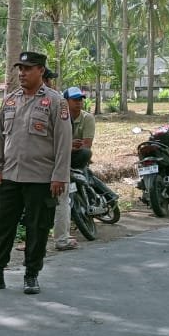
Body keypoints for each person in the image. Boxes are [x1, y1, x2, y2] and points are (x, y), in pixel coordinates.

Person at [0, 50, 72, 295]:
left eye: (27, 69)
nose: (22, 73)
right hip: (10, 176)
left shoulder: (55, 101)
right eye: (20, 68)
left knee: (37, 228)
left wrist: (59, 176)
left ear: (41, 70)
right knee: (3, 226)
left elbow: (63, 142)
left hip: (41, 178)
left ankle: (31, 274)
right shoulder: (10, 100)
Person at [53, 86, 117, 251]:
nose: (79, 103)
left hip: (77, 156)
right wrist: (67, 146)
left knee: (86, 160)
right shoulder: (59, 117)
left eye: (81, 99)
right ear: (65, 101)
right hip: (61, 157)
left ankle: (108, 196)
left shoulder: (87, 118)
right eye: (75, 100)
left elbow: (86, 144)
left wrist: (68, 147)